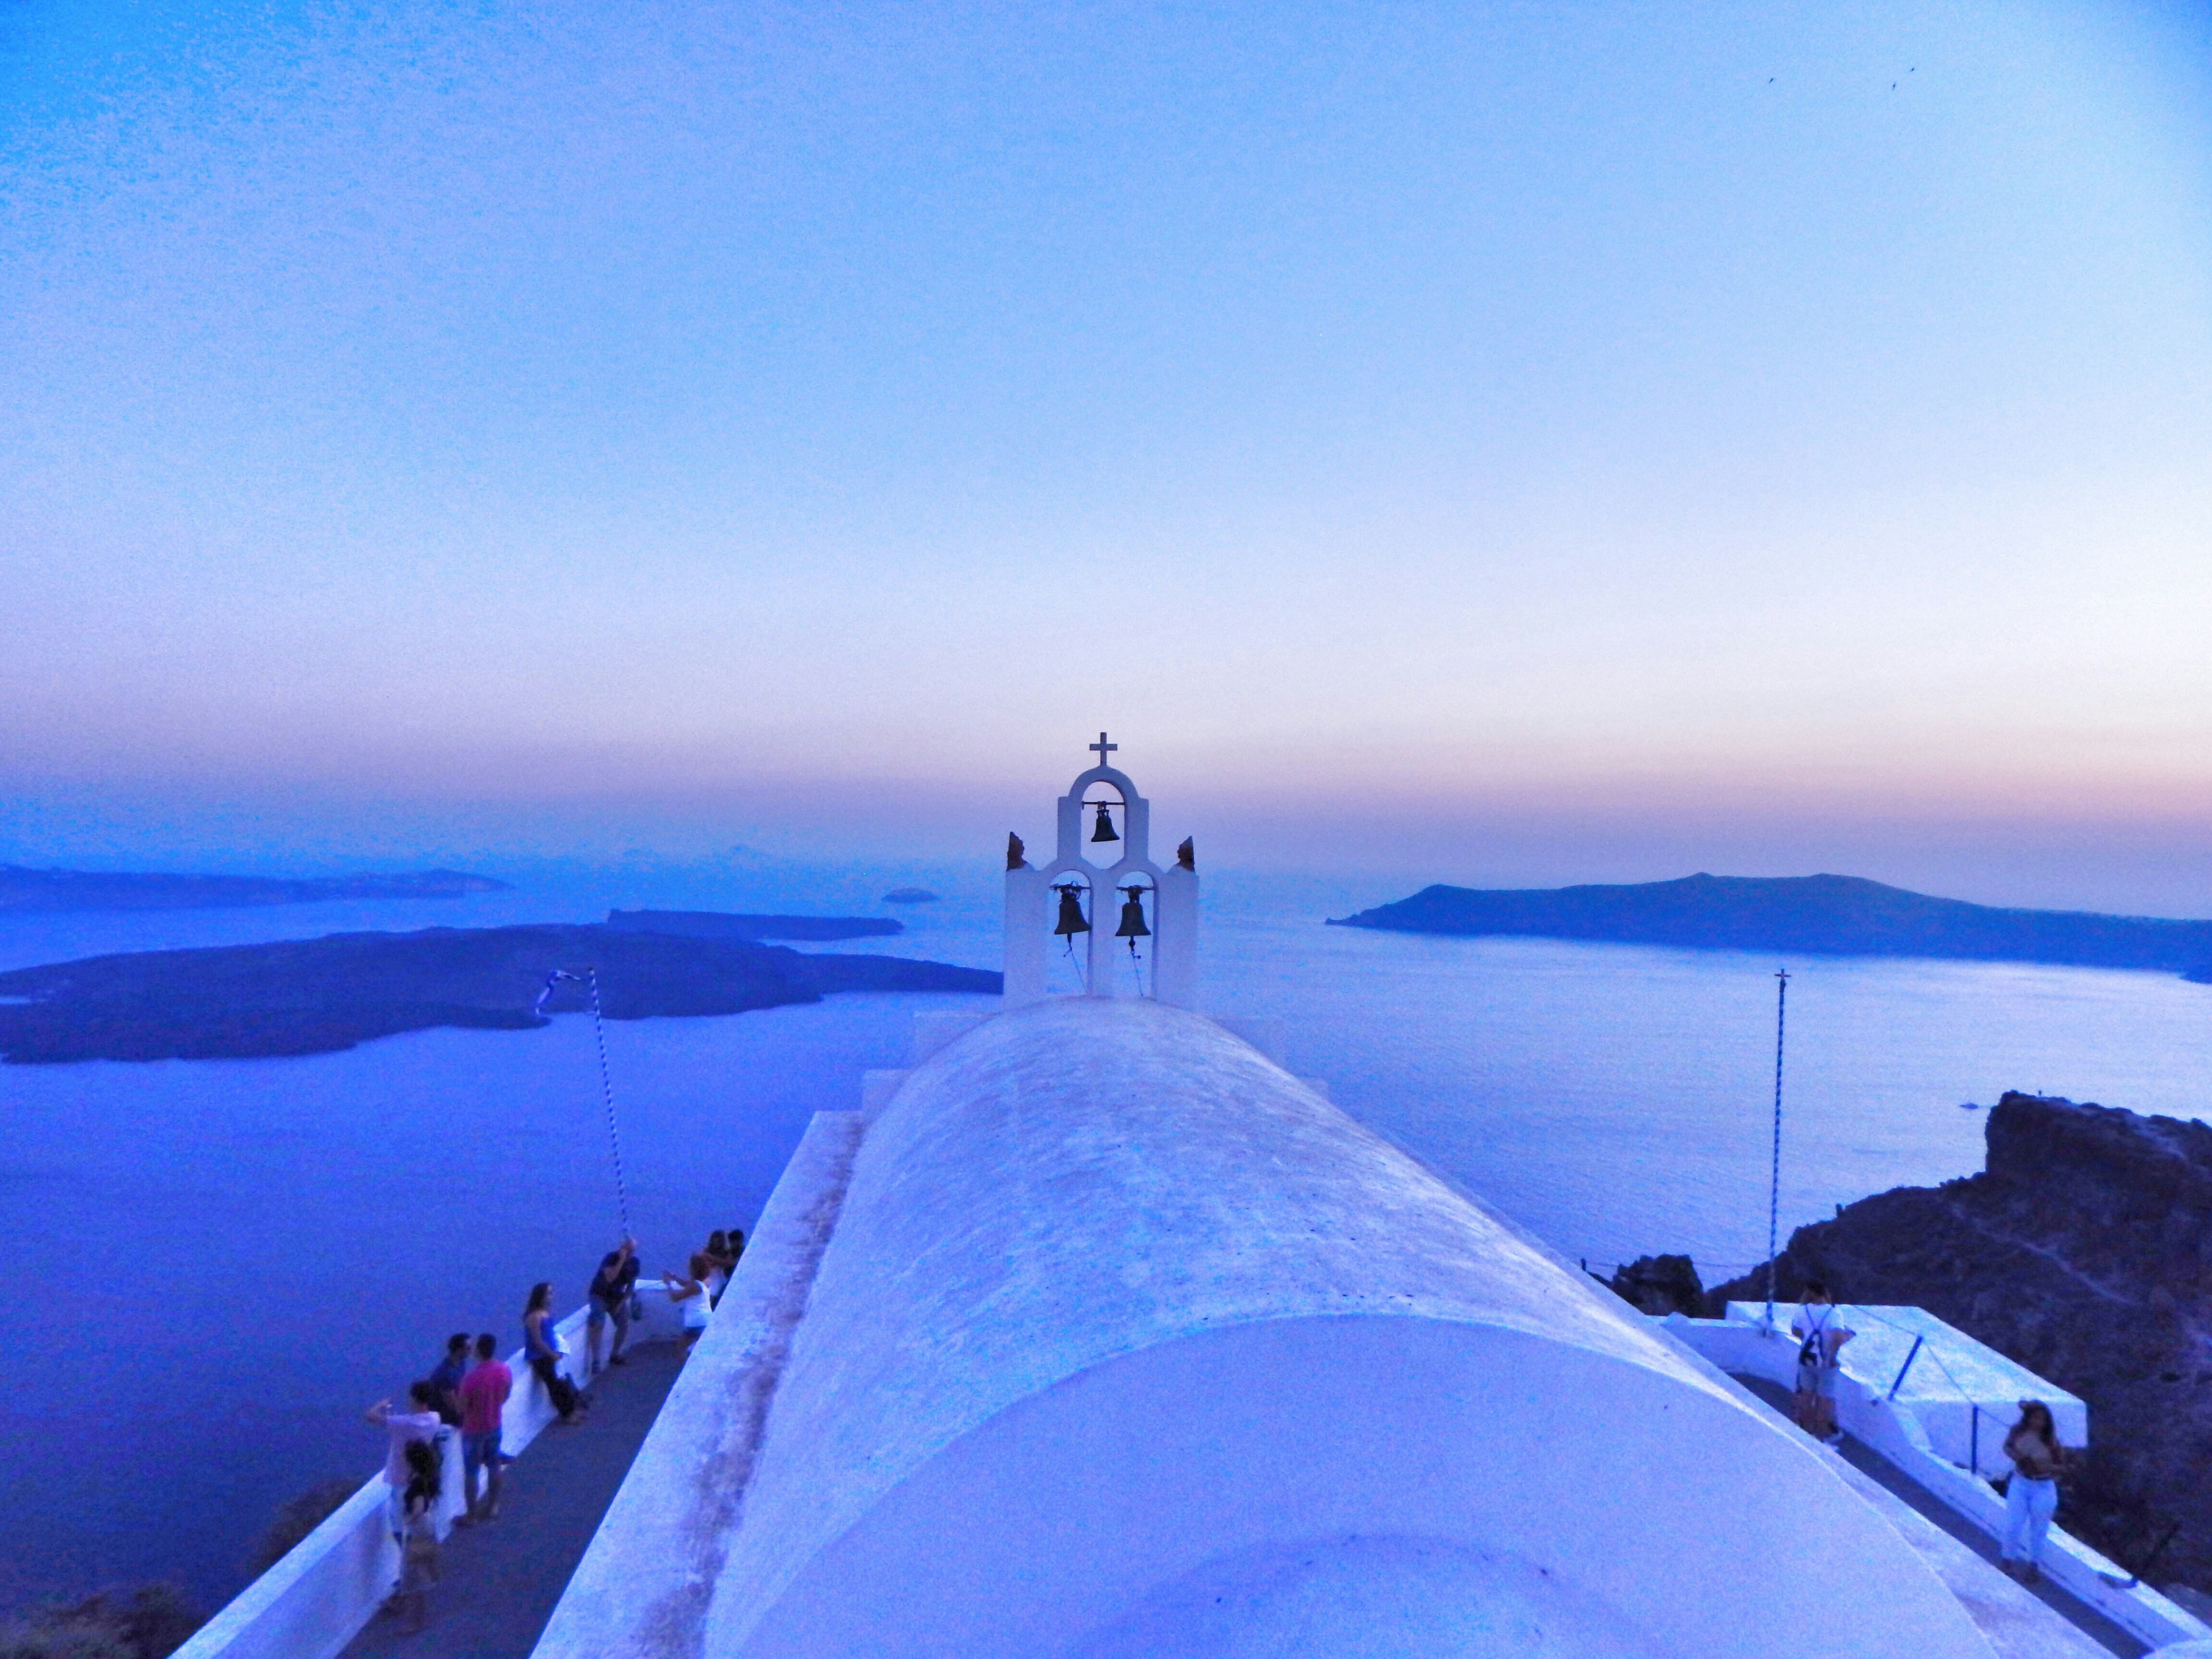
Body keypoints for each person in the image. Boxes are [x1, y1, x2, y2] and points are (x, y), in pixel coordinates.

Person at [364, 1383, 444, 1545]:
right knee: (420, 1514)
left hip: (400, 1477)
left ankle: (406, 1555)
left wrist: (383, 1404)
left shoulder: (403, 1423)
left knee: (398, 1525)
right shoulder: (435, 1418)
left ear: (414, 1399)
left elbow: (370, 1416)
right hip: (422, 1473)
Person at [2002, 1400, 2065, 1583]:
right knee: (2013, 1524)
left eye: (2042, 1419)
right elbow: (2008, 1448)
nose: (2038, 1422)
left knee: (2039, 1529)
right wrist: (2020, 1458)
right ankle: (2007, 1561)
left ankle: (2034, 1566)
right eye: (2035, 1418)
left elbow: (2062, 1467)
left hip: (2043, 1486)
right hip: (2021, 1482)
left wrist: (2043, 1466)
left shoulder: (2052, 1441)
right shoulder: (2018, 1432)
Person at [1789, 1281, 1854, 1445]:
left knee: (1806, 1395)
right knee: (1824, 1400)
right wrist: (1846, 1339)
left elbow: (1795, 1331)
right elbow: (1838, 1338)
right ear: (1824, 1292)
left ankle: (1805, 1431)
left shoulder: (1802, 1311)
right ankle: (1821, 1438)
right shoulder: (1834, 1313)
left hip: (1807, 1359)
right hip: (1826, 1364)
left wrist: (1808, 1338)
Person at [457, 1333, 511, 1523]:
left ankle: (471, 1515)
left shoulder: (471, 1378)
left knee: (472, 1472)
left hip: (473, 1430)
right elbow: (506, 1395)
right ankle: (493, 1507)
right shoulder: (504, 1370)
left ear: (479, 1350)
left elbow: (461, 1408)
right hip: (495, 1426)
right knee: (494, 1466)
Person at [395, 1437, 441, 1633]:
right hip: (429, 1528)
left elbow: (419, 1508)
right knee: (421, 1577)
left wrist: (405, 1521)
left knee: (412, 1578)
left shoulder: (416, 1484)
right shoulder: (429, 1477)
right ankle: (418, 1621)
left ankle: (413, 1623)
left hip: (419, 1531)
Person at [523, 1282, 585, 1424]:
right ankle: (567, 1415)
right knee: (556, 1386)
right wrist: (552, 1354)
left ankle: (572, 1410)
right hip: (541, 1357)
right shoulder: (535, 1317)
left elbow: (550, 1334)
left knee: (563, 1382)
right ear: (541, 1296)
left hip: (551, 1355)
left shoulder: (545, 1314)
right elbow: (537, 1341)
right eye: (549, 1293)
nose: (551, 1296)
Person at [587, 1238, 640, 1375]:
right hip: (599, 1294)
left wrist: (621, 1304)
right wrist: (621, 1260)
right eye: (625, 1249)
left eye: (630, 1251)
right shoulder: (611, 1258)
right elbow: (610, 1277)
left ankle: (615, 1354)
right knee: (598, 1324)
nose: (627, 1253)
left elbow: (630, 1287)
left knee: (624, 1323)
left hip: (616, 1297)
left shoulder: (634, 1264)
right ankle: (596, 1361)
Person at [664, 1253, 711, 1352]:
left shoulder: (695, 1286)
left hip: (695, 1321)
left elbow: (675, 1298)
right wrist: (675, 1278)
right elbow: (686, 1284)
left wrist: (668, 1285)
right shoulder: (706, 1281)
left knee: (682, 1349)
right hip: (707, 1319)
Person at [428, 1333, 471, 1426]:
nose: (471, 1350)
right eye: (468, 1348)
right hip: (446, 1423)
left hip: (455, 1419)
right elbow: (452, 1404)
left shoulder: (461, 1364)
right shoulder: (445, 1373)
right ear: (459, 1350)